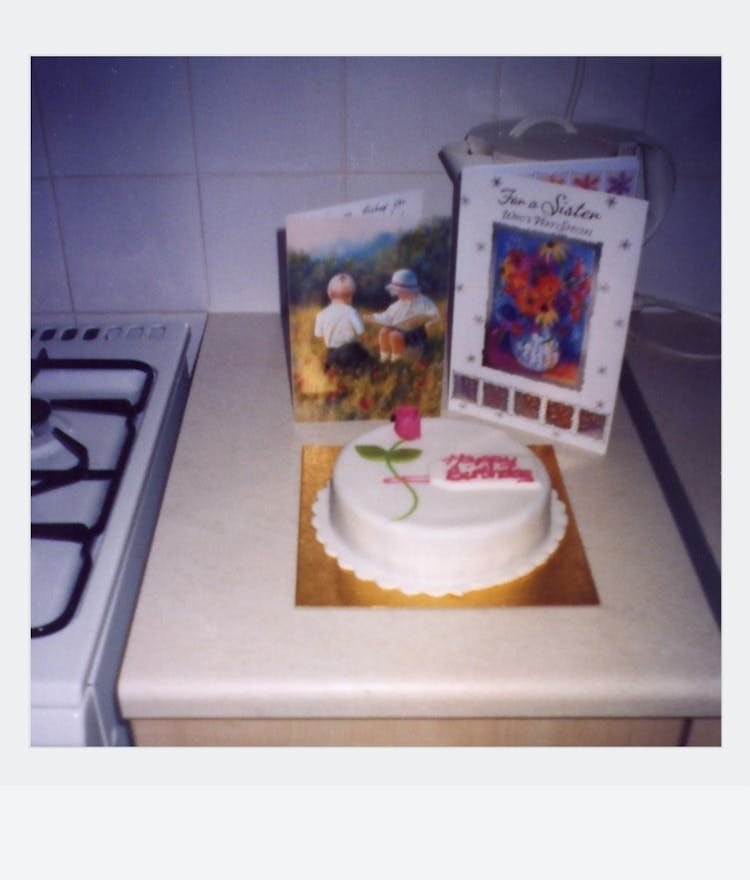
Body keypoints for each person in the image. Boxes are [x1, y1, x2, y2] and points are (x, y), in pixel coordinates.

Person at [366, 268, 440, 363]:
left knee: (395, 335)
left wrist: (424, 319)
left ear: (412, 290)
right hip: (401, 330)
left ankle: (396, 360)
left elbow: (435, 315)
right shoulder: (397, 305)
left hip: (415, 335)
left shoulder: (423, 301)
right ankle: (384, 357)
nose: (399, 294)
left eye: (402, 291)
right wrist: (374, 317)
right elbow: (387, 316)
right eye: (397, 291)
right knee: (384, 331)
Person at [313, 273, 369, 371]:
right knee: (366, 359)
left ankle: (331, 367)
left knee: (333, 367)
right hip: (350, 351)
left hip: (331, 353)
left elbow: (318, 335)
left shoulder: (321, 314)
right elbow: (361, 331)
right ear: (350, 296)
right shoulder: (351, 311)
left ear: (329, 294)